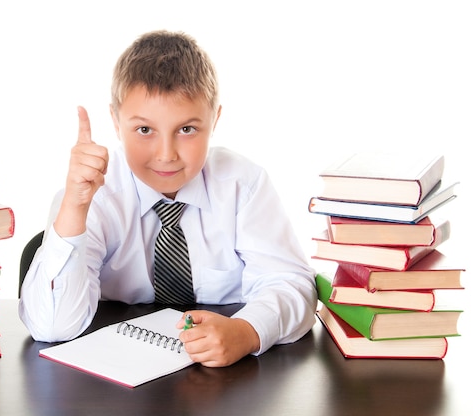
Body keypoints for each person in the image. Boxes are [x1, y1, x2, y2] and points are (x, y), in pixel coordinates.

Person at [19, 30, 317, 367]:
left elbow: (291, 283)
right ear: (116, 122)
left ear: (214, 120)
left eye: (187, 129)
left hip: (227, 379)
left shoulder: (242, 185)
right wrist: (74, 206)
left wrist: (247, 331)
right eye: (144, 130)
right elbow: (52, 326)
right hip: (121, 372)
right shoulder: (95, 194)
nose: (165, 155)